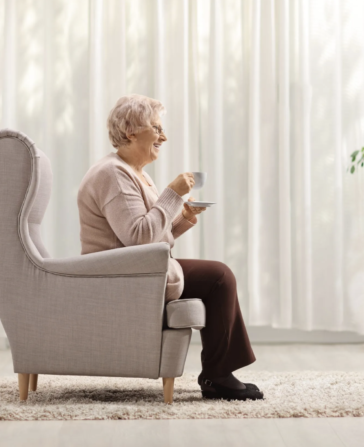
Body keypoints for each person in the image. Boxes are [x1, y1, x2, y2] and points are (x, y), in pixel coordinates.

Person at [77, 94, 262, 400]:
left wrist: (182, 219)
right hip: (121, 275)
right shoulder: (112, 174)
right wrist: (172, 194)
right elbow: (138, 238)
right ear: (131, 131)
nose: (164, 136)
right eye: (156, 128)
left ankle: (219, 374)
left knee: (219, 277)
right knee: (219, 277)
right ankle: (217, 376)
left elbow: (150, 236)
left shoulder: (134, 172)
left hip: (137, 268)